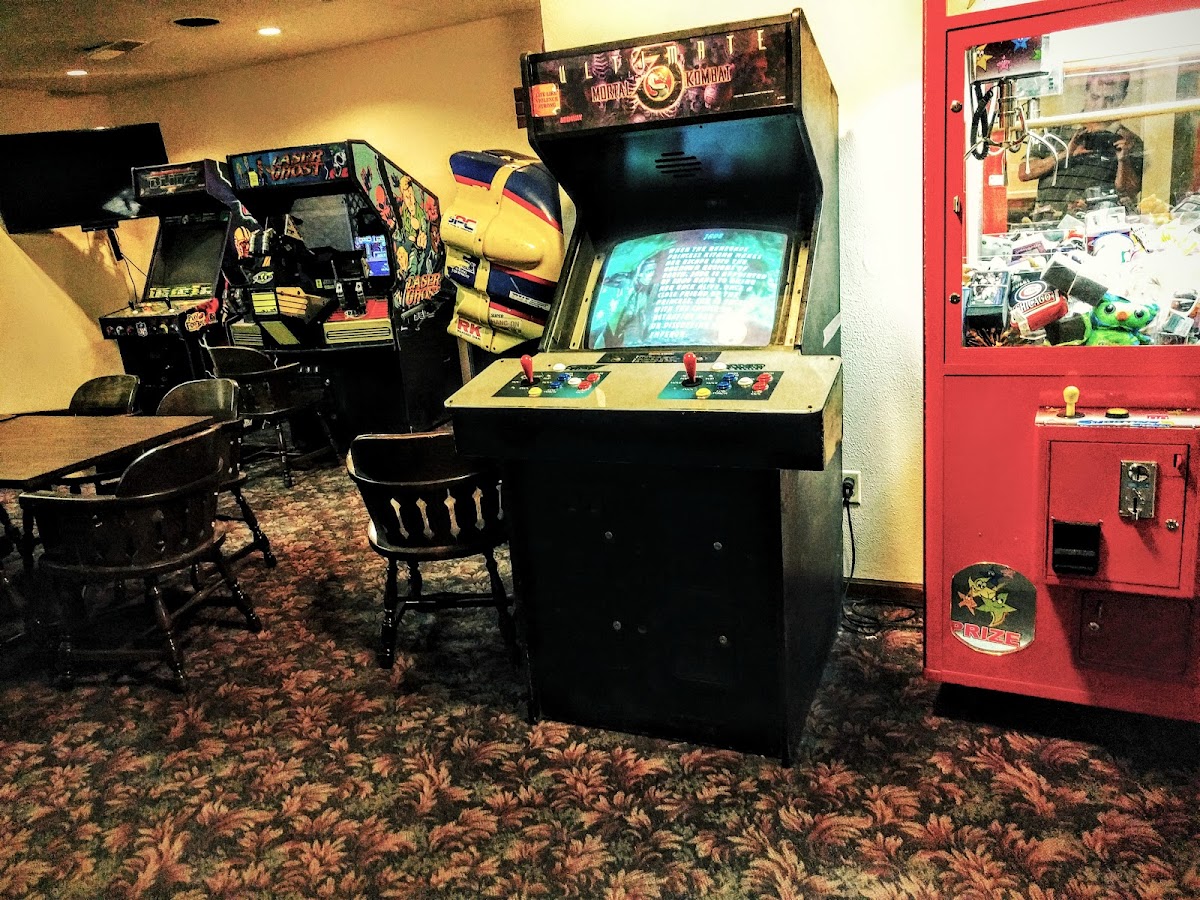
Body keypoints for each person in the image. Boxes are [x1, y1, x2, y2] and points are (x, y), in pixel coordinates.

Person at [1019, 71, 1143, 219]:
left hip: (1097, 222)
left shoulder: (1128, 141)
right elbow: (1024, 172)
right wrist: (1065, 154)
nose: (1101, 105)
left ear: (1122, 98)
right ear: (1085, 93)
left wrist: (1123, 160)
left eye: (1110, 99)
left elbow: (1130, 191)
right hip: (1048, 221)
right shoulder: (1055, 130)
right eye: (1095, 97)